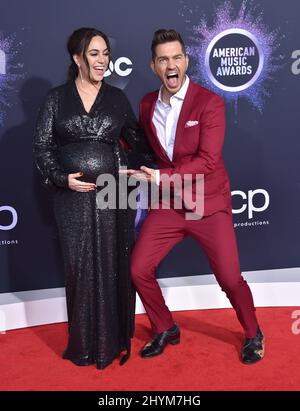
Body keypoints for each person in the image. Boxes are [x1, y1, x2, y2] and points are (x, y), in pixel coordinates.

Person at [125, 29, 264, 365]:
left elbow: (208, 161)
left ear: (186, 61)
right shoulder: (147, 104)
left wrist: (159, 176)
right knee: (138, 269)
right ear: (154, 66)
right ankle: (165, 326)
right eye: (163, 60)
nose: (171, 65)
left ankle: (253, 332)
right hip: (169, 204)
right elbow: (144, 147)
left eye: (176, 57)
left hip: (206, 204)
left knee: (230, 278)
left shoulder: (209, 102)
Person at [34, 27, 152, 369]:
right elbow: (42, 148)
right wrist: (61, 178)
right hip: (71, 195)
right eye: (94, 54)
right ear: (77, 58)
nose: (102, 61)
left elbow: (137, 140)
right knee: (80, 266)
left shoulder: (116, 98)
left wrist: (135, 167)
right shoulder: (56, 99)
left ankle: (114, 342)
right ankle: (85, 345)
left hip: (114, 191)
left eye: (105, 54)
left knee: (115, 261)